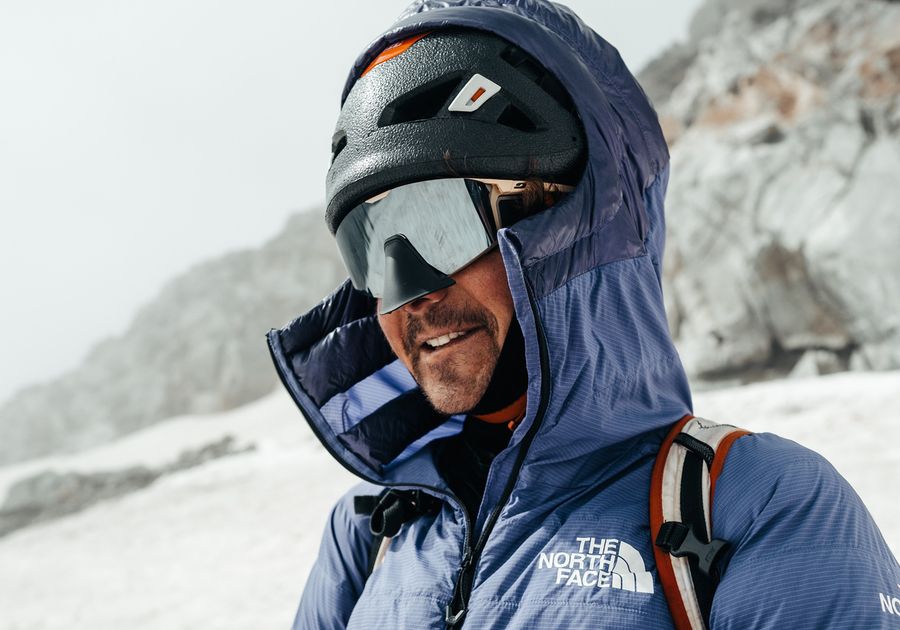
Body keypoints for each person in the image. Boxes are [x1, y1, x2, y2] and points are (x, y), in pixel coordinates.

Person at [267, 1, 899, 628]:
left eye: (444, 224)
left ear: (566, 231)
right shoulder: (368, 533)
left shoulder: (757, 509)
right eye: (371, 249)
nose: (408, 294)